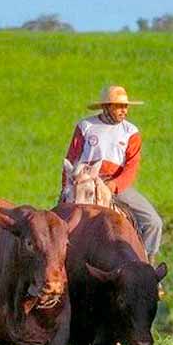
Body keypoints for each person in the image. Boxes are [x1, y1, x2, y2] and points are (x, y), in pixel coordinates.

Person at [61, 85, 163, 260]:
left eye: (125, 106)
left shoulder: (131, 132)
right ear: (106, 106)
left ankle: (147, 265)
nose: (124, 110)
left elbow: (131, 166)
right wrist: (66, 187)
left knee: (153, 222)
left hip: (115, 184)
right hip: (83, 183)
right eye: (119, 106)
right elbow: (71, 159)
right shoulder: (86, 126)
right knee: (53, 224)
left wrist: (113, 185)